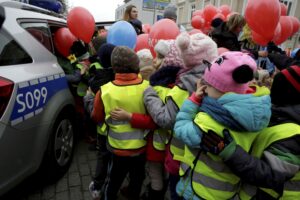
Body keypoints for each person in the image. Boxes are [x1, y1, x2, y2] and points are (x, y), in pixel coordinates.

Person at [174, 51, 272, 200]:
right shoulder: (258, 114)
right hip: (227, 192)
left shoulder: (208, 122)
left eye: (208, 85)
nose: (205, 89)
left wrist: (193, 100)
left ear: (220, 90)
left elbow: (181, 129)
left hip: (199, 191)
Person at [199, 64, 300, 200]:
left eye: (279, 84)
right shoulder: (277, 113)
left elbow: (272, 175)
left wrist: (231, 152)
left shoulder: (295, 133)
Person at [143, 32, 218, 200]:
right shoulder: (218, 84)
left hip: (180, 158)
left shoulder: (183, 86)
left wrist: (148, 93)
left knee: (177, 192)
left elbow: (165, 119)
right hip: (207, 163)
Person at [92, 46, 148, 200]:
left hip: (117, 149)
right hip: (140, 149)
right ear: (135, 65)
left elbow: (97, 117)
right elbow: (153, 118)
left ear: (114, 66)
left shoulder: (104, 90)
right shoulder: (147, 87)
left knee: (113, 181)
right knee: (137, 180)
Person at [84, 43, 116, 200]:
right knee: (113, 160)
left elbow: (94, 113)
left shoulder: (95, 81)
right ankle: (110, 187)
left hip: (102, 130)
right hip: (118, 131)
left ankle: (97, 187)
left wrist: (88, 97)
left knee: (102, 157)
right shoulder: (119, 78)